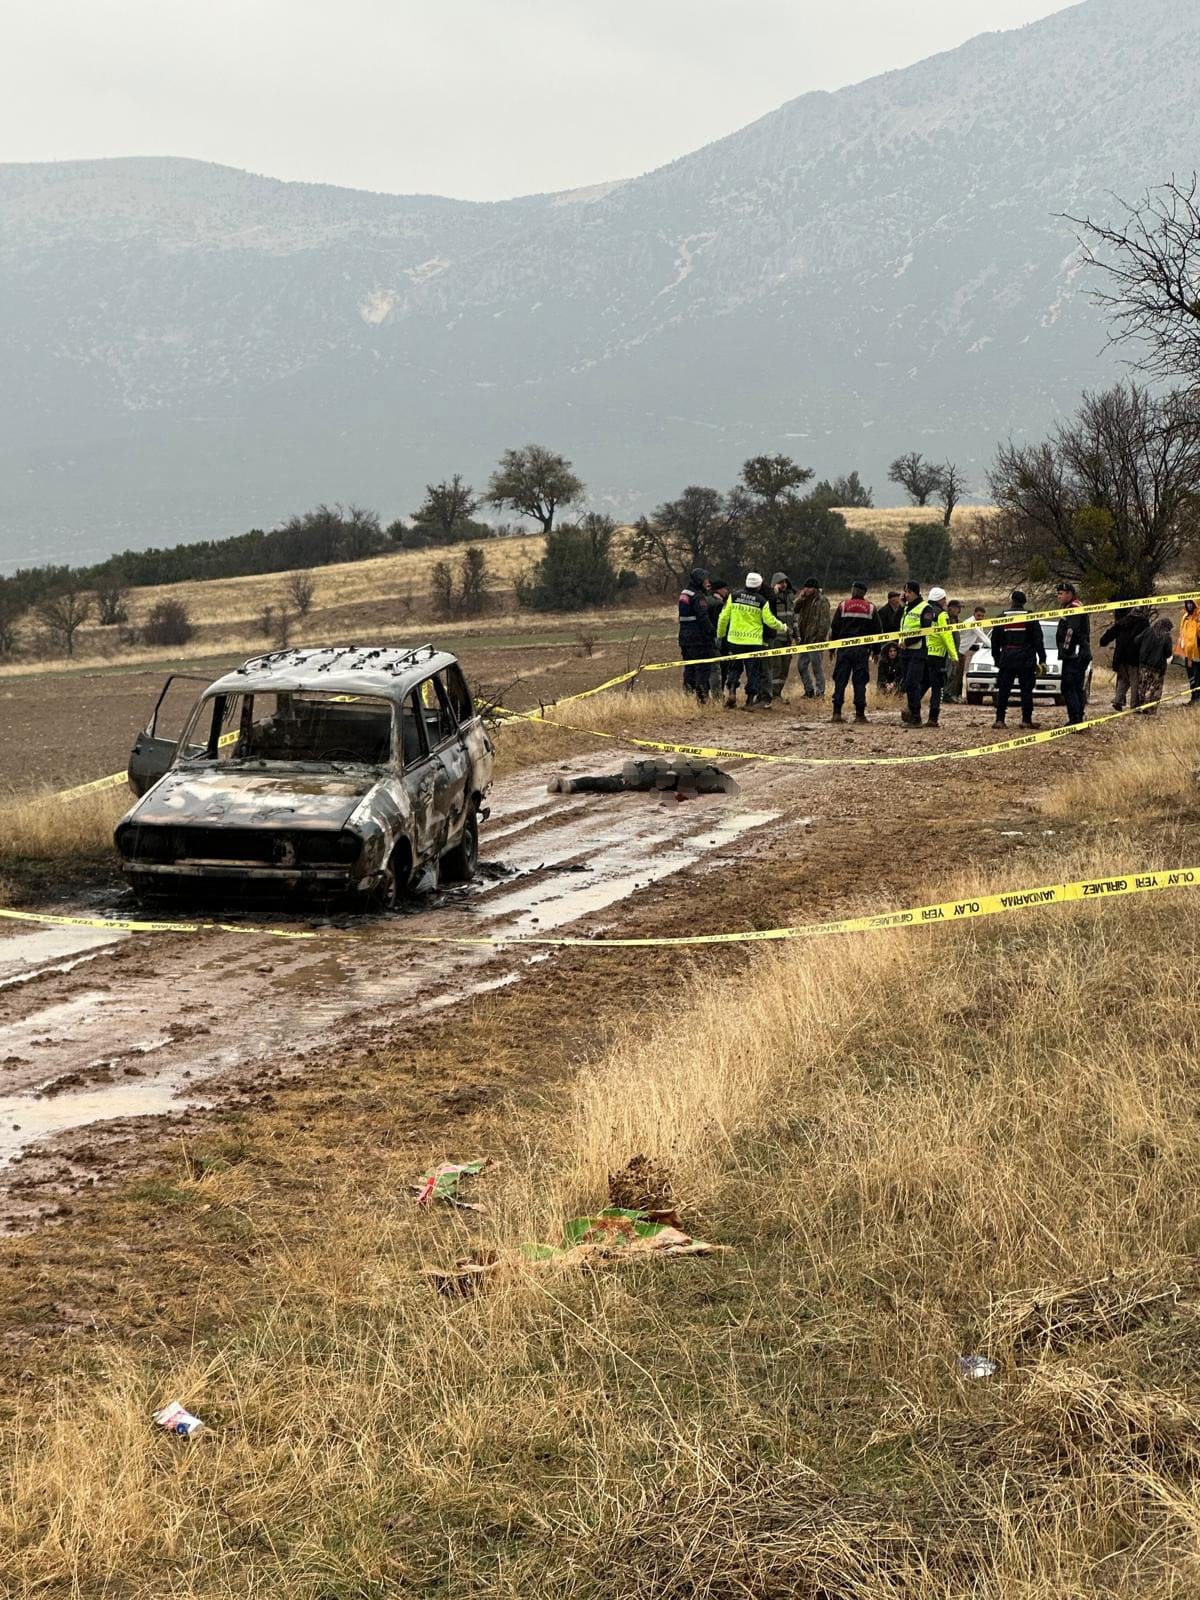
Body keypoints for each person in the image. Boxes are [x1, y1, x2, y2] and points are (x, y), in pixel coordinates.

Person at [717, 572, 784, 708]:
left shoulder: (733, 596)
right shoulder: (761, 601)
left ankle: (732, 691)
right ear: (759, 586)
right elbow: (770, 621)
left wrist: (721, 634)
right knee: (753, 671)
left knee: (734, 668)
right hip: (753, 642)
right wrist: (783, 627)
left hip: (735, 640)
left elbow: (723, 618)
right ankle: (749, 700)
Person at [991, 590, 1047, 729]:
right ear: (1024, 602)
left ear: (1012, 601)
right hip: (1026, 659)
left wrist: (997, 659)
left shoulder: (1002, 617)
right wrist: (1042, 658)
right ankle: (1026, 720)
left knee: (1004, 690)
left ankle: (1000, 719)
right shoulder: (1031, 617)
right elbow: (1038, 640)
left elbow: (994, 641)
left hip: (1007, 657)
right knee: (1026, 690)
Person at [829, 581, 880, 723]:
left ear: (853, 590)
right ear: (864, 593)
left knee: (840, 680)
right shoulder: (870, 608)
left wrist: (832, 648)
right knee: (860, 682)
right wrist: (876, 651)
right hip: (861, 650)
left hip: (844, 649)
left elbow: (835, 628)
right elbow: (877, 631)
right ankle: (860, 715)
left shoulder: (843, 605)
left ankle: (836, 713)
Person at [1054, 579, 1091, 725]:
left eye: (1061, 593)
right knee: (1075, 687)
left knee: (1069, 687)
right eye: (1058, 594)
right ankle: (1077, 717)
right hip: (1077, 653)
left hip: (1074, 654)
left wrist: (1066, 649)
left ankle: (1075, 718)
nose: (1059, 596)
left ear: (1069, 594)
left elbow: (1071, 631)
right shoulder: (1070, 606)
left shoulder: (1074, 608)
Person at [677, 567, 716, 702]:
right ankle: (702, 697)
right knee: (702, 668)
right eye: (705, 580)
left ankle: (688, 695)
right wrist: (712, 632)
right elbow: (703, 618)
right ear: (699, 580)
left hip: (684, 637)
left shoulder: (684, 593)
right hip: (698, 639)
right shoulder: (698, 596)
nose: (708, 582)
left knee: (689, 667)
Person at [1099, 607, 1149, 710]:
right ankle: (1134, 706)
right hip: (1134, 657)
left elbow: (1110, 633)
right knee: (1135, 681)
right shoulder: (1144, 623)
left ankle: (1118, 700)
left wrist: (1103, 641)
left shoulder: (1123, 621)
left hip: (1120, 656)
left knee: (1123, 679)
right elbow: (1147, 639)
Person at [793, 577, 831, 699]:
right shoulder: (804, 600)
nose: (806, 589)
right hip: (804, 639)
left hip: (815, 640)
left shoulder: (822, 601)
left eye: (809, 587)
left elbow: (825, 622)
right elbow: (794, 609)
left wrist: (820, 638)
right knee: (801, 666)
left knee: (816, 667)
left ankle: (820, 692)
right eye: (805, 587)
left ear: (814, 588)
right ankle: (808, 690)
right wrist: (801, 598)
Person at [765, 573, 797, 700]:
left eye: (785, 582)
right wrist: (774, 593)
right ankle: (772, 693)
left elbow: (793, 617)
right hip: (776, 638)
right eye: (780, 582)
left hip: (788, 638)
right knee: (776, 667)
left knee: (785, 667)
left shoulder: (790, 596)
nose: (784, 585)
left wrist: (796, 634)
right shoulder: (771, 597)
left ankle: (778, 693)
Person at [897, 580, 926, 717]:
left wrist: (907, 642)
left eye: (909, 592)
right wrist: (901, 606)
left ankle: (916, 716)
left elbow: (925, 631)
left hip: (918, 651)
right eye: (905, 592)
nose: (906, 595)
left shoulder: (925, 608)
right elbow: (895, 622)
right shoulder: (906, 608)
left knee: (912, 683)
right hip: (905, 652)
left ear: (916, 593)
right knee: (907, 685)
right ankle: (911, 713)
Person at [1136, 615, 1175, 713]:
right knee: (1154, 689)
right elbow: (1168, 653)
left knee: (1142, 686)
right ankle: (1150, 708)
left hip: (1143, 665)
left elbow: (1136, 640)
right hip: (1157, 667)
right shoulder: (1166, 637)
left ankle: (1142, 705)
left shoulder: (1147, 631)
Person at [957, 605, 989, 698]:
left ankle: (957, 695)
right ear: (974, 614)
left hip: (963, 651)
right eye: (978, 615)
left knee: (960, 676)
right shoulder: (971, 623)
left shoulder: (978, 623)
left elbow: (978, 639)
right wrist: (995, 647)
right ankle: (952, 696)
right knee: (955, 676)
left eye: (982, 616)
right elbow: (983, 637)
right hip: (958, 651)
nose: (980, 618)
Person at [708, 580, 732, 701]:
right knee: (722, 668)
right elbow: (720, 623)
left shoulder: (707, 601)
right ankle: (719, 694)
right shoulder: (718, 604)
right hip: (720, 640)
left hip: (710, 639)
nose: (727, 591)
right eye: (725, 589)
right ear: (719, 590)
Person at [1176, 600, 1200, 704]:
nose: (1189, 605)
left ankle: (1198, 698)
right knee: (1191, 677)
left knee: (1197, 676)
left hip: (1197, 653)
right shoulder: (1185, 617)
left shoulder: (1198, 617)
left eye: (1191, 603)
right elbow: (1181, 633)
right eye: (1187, 603)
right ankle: (1194, 697)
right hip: (1187, 654)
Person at [943, 599, 965, 702]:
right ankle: (945, 694)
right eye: (957, 608)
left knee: (953, 673)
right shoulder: (946, 618)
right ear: (951, 608)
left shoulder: (956, 620)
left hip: (955, 650)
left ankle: (950, 694)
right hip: (948, 651)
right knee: (948, 673)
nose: (959, 610)